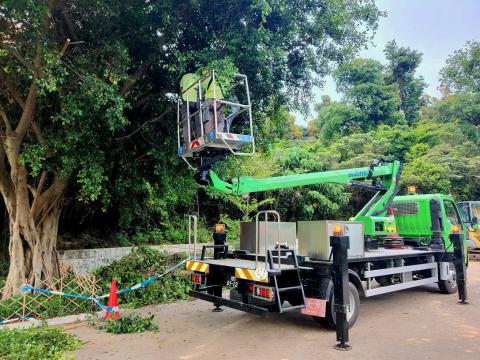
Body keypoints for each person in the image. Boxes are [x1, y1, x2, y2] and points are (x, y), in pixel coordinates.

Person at [180, 73, 200, 143]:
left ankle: (187, 140)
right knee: (198, 121)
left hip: (186, 101)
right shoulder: (197, 76)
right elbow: (200, 89)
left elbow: (181, 89)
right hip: (196, 102)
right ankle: (199, 137)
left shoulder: (184, 76)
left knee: (186, 122)